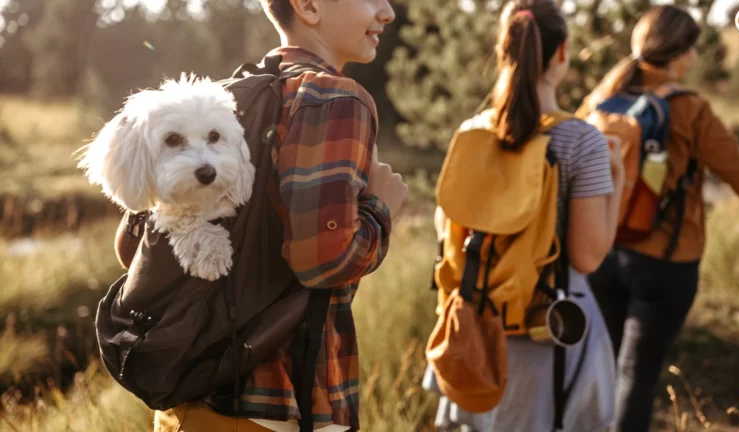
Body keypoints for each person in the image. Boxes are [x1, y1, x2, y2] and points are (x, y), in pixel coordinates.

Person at [152, 0, 406, 431]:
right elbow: (323, 260)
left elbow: (136, 243)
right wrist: (380, 209)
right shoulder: (337, 98)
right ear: (308, 5)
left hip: (188, 399)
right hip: (280, 407)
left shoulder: (218, 98)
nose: (387, 12)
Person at [423, 0, 625, 430]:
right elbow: (588, 257)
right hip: (549, 333)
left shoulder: (471, 131)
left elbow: (446, 226)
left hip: (473, 331)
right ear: (562, 52)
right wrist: (618, 178)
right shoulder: (582, 142)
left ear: (503, 49)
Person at [579, 5, 739, 432]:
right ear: (680, 53)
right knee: (636, 377)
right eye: (693, 50)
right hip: (665, 262)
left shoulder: (601, 97)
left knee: (603, 369)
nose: (696, 58)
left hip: (600, 252)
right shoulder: (690, 109)